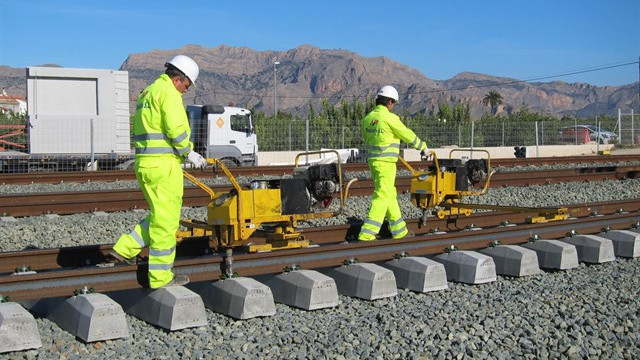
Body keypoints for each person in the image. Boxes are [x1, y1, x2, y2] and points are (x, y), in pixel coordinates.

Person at [108, 55, 208, 288]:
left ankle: (123, 249)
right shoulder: (169, 94)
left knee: (158, 215)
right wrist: (189, 152)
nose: (186, 90)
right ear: (177, 79)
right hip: (163, 165)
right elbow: (175, 128)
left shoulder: (148, 92)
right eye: (186, 85)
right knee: (167, 222)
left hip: (145, 163)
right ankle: (161, 277)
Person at [358, 85, 427, 241]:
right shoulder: (390, 118)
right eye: (393, 103)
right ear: (389, 102)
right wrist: (422, 147)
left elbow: (366, 138)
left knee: (389, 194)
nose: (393, 106)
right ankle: (367, 233)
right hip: (386, 163)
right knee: (382, 195)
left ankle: (399, 231)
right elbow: (406, 134)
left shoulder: (368, 119)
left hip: (373, 161)